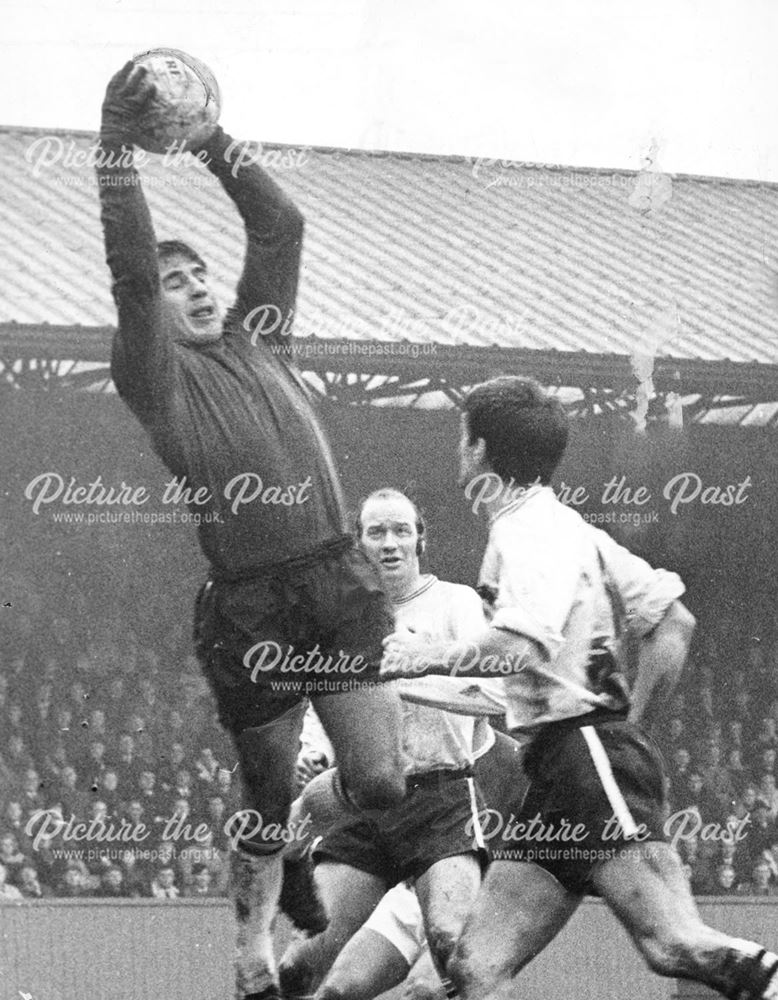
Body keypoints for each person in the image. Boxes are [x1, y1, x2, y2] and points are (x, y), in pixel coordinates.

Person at [96, 63, 406, 1000]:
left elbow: (283, 226)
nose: (190, 287)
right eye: (172, 278)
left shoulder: (260, 335)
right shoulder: (153, 372)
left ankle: (300, 846)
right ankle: (249, 957)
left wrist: (213, 146)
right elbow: (130, 272)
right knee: (264, 793)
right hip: (252, 603)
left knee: (383, 785)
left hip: (335, 575)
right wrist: (117, 158)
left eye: (198, 275)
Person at [383, 376, 778, 1000]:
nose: (459, 452)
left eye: (462, 439)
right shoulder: (568, 527)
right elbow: (673, 620)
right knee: (475, 967)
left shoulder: (526, 533)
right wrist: (631, 725)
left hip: (582, 753)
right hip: (561, 767)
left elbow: (520, 646)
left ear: (480, 450)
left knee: (673, 944)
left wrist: (421, 656)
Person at [279, 489, 518, 1000]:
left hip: (441, 800)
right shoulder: (342, 620)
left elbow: (498, 695)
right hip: (360, 805)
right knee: (301, 969)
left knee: (453, 950)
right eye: (376, 532)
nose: (390, 543)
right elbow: (329, 707)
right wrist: (312, 751)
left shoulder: (455, 602)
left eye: (401, 531)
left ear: (420, 541)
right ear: (359, 546)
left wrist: (402, 678)